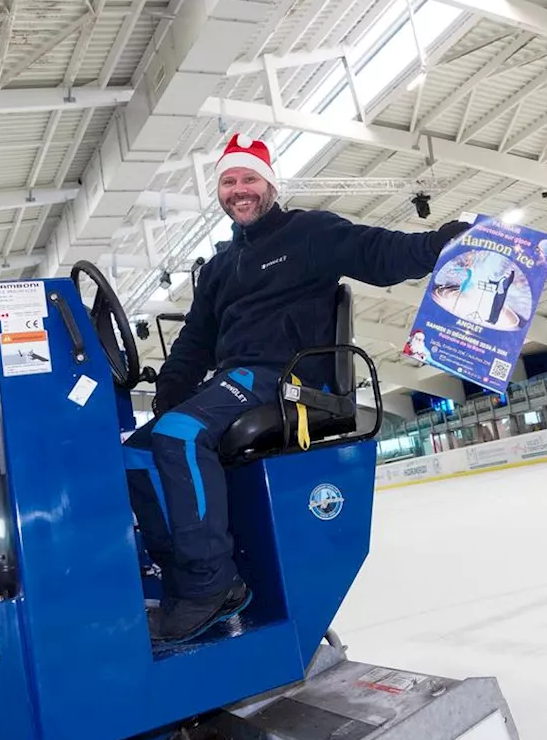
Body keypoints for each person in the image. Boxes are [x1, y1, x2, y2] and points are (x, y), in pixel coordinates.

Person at [124, 133, 470, 645]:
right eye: (228, 181)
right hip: (236, 378)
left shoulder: (309, 232)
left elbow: (377, 252)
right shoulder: (220, 267)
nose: (238, 189)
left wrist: (438, 243)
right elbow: (195, 341)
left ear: (269, 185)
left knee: (178, 436)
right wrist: (170, 395)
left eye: (248, 179)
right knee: (137, 451)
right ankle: (181, 573)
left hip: (288, 378)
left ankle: (211, 586)